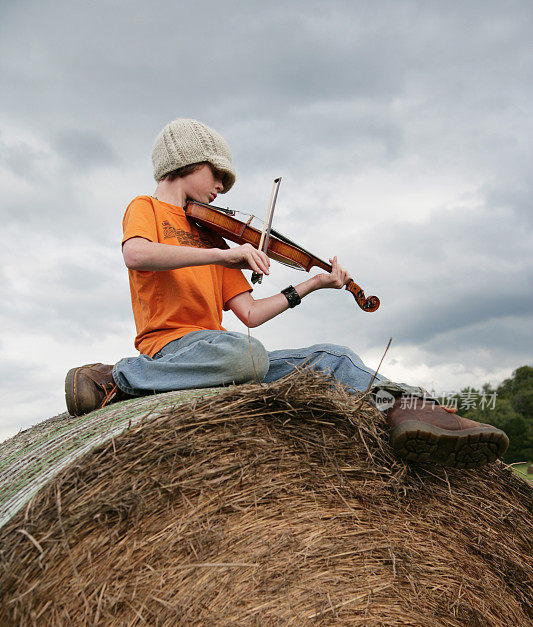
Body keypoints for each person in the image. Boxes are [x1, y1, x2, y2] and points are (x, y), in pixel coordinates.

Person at [65, 118, 509, 469]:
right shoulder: (146, 209)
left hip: (221, 351)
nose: (221, 187)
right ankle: (118, 378)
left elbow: (251, 314)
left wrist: (311, 283)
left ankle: (415, 410)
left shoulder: (217, 239)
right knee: (247, 355)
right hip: (173, 350)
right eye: (217, 174)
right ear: (185, 161)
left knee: (331, 358)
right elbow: (137, 256)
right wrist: (225, 257)